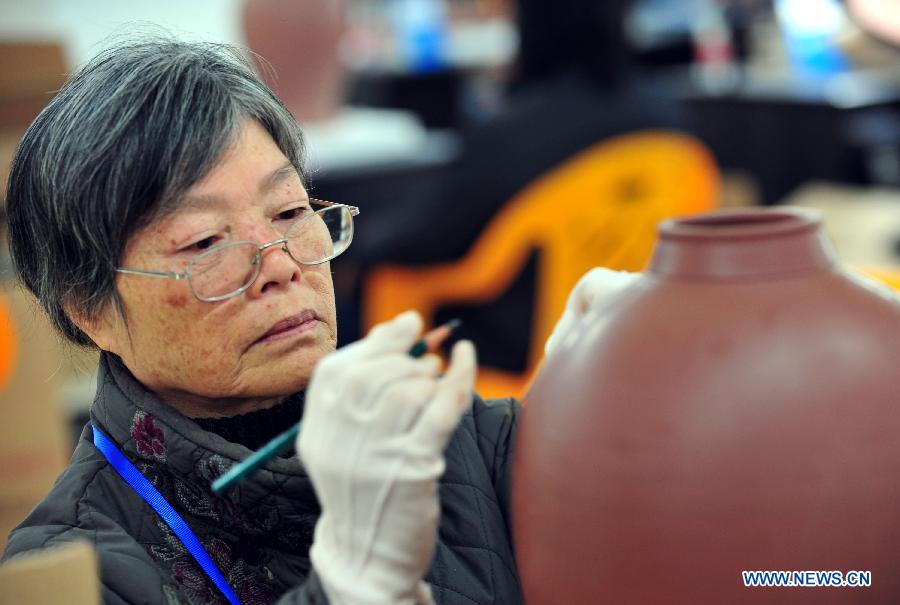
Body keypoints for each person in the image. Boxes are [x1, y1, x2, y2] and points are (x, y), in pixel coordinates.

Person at [1, 38, 633, 605]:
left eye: (288, 212)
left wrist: (601, 397)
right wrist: (352, 585)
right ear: (90, 312)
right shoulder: (75, 573)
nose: (280, 265)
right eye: (204, 244)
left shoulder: (447, 437)